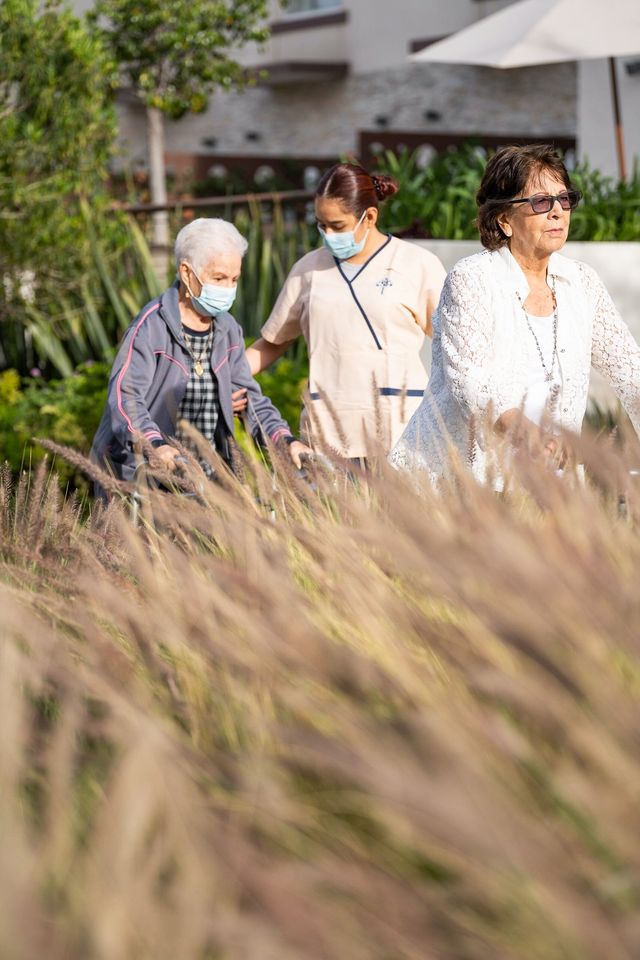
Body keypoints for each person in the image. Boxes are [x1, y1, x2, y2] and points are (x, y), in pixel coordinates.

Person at [389, 144, 640, 481]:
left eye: (564, 199)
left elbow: (630, 372)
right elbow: (471, 384)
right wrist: (530, 436)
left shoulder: (582, 283)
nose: (557, 212)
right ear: (504, 219)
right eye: (540, 202)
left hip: (549, 483)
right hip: (460, 482)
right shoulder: (473, 279)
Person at [245, 162, 447, 460]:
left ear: (370, 217)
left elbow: (452, 343)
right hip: (327, 436)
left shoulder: (417, 265)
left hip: (403, 432)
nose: (327, 234)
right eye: (321, 225)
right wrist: (220, 376)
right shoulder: (308, 270)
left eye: (337, 226)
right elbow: (272, 343)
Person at [91, 218, 309, 492]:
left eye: (234, 279)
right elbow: (126, 400)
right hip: (147, 478)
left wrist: (285, 440)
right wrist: (155, 445)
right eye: (219, 278)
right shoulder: (150, 327)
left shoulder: (227, 329)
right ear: (186, 272)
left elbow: (250, 398)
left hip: (207, 481)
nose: (228, 288)